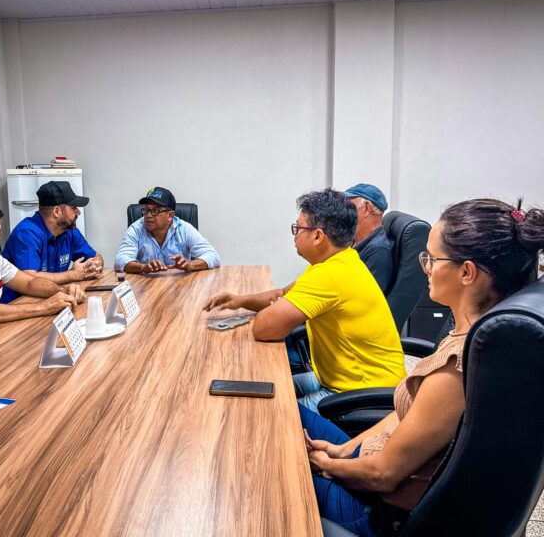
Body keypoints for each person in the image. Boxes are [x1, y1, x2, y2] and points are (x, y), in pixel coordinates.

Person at [300, 198, 544, 536]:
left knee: (276, 463)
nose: (425, 267)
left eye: (431, 258)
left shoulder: (455, 369)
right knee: (286, 412)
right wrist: (342, 451)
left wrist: (326, 465)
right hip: (367, 463)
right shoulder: (467, 331)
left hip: (375, 510)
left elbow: (382, 475)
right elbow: (409, 414)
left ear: (467, 272)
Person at [204, 189, 404, 410]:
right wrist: (239, 301)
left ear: (317, 236)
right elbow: (281, 294)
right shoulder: (341, 261)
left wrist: (278, 311)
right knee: (265, 385)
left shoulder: (328, 275)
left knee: (270, 410)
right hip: (340, 378)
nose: (295, 234)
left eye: (298, 228)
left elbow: (263, 328)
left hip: (363, 394)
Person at [1, 181, 103, 303]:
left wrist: (93, 266)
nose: (78, 212)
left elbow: (96, 256)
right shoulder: (27, 232)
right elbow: (29, 278)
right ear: (57, 211)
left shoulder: (69, 231)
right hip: (18, 302)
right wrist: (73, 274)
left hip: (52, 296)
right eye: (73, 207)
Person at [114, 187, 221, 274]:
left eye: (155, 211)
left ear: (170, 215)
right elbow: (120, 260)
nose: (148, 215)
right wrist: (143, 267)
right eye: (146, 210)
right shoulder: (136, 229)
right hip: (146, 285)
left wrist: (190, 265)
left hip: (179, 284)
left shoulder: (183, 229)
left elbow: (213, 256)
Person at [345, 183, 394, 292]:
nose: (344, 214)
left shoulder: (378, 250)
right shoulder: (355, 241)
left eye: (349, 208)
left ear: (367, 208)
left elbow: (363, 295)